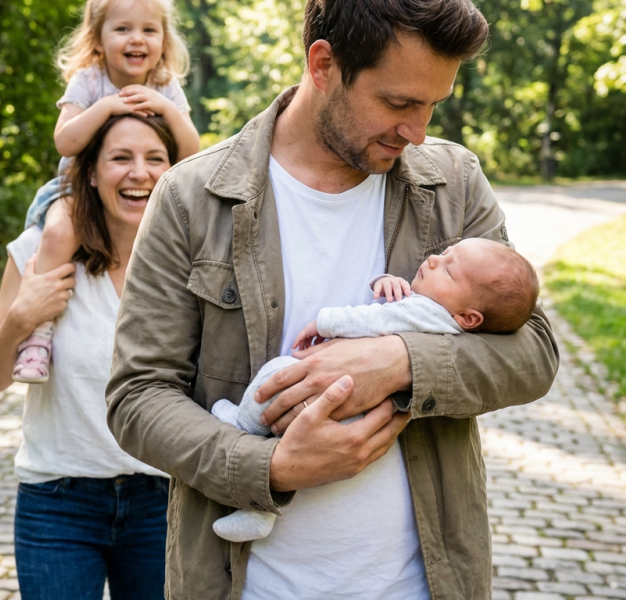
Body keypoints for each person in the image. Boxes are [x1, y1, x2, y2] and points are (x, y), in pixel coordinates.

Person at [106, 1, 560, 599]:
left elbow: (535, 352)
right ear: (323, 64)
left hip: (422, 585)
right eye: (398, 103)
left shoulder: (454, 182)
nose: (417, 131)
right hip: (245, 584)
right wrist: (269, 468)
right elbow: (138, 396)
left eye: (432, 105)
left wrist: (398, 362)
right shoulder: (191, 198)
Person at [211, 238, 540, 542]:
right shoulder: (442, 319)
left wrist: (325, 322)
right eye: (443, 253)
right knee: (292, 445)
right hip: (357, 413)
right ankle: (261, 509)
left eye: (449, 269)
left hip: (347, 400)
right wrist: (391, 282)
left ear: (468, 317)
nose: (434, 260)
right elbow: (397, 311)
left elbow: (369, 321)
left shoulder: (427, 312)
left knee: (277, 375)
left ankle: (244, 426)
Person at [0, 114, 178, 600]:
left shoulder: (190, 266)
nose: (139, 172)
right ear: (90, 172)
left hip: (163, 502)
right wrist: (22, 317)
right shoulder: (40, 254)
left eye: (155, 159)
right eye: (120, 158)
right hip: (57, 504)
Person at [12, 0, 199, 384]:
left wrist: (167, 108)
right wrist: (108, 106)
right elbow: (66, 141)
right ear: (98, 39)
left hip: (140, 197)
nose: (137, 39)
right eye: (123, 29)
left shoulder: (165, 85)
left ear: (164, 41)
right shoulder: (89, 80)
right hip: (76, 189)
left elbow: (190, 150)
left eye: (149, 30)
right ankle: (39, 334)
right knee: (59, 233)